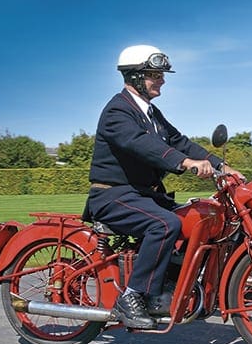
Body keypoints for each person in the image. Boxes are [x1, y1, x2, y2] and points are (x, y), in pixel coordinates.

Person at [84, 44, 242, 329]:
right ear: (134, 77)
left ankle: (164, 289)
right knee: (165, 224)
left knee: (194, 218)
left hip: (142, 195)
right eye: (154, 74)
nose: (162, 80)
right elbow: (142, 145)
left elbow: (179, 141)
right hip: (112, 194)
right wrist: (185, 163)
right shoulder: (117, 111)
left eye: (161, 74)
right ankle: (132, 296)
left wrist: (220, 165)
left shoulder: (151, 113)